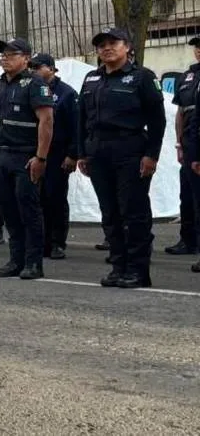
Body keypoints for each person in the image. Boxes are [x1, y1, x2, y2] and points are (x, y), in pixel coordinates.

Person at [81, 28, 165, 288]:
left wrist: (151, 155)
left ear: (127, 47)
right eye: (101, 44)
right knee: (110, 213)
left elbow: (157, 120)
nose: (106, 48)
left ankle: (138, 270)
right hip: (98, 151)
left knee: (133, 212)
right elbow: (81, 119)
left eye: (113, 43)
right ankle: (118, 265)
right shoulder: (91, 79)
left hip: (130, 149)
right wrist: (82, 153)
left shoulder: (141, 78)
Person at [0, 39, 55, 280]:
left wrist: (40, 157)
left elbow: (46, 121)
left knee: (29, 210)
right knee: (8, 210)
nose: (5, 58)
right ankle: (16, 259)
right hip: (0, 156)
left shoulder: (34, 84)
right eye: (3, 55)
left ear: (26, 58)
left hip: (25, 155)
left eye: (11, 54)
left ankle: (34, 262)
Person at [30, 53, 78, 260]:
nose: (34, 71)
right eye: (31, 67)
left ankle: (57, 242)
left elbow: (76, 127)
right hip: (34, 152)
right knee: (35, 199)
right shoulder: (29, 89)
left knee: (55, 198)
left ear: (51, 68)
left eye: (38, 67)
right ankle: (40, 241)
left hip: (57, 154)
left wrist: (73, 155)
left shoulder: (66, 93)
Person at [168, 37, 200, 256]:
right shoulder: (187, 76)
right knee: (187, 193)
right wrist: (179, 143)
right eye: (197, 46)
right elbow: (181, 112)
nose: (199, 50)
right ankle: (188, 240)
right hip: (191, 139)